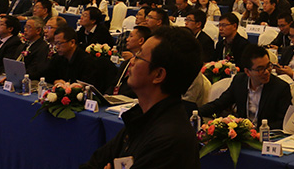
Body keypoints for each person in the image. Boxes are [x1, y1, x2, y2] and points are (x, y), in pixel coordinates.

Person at [81, 26, 202, 169]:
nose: (132, 61)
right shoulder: (141, 118)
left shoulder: (170, 140)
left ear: (158, 75)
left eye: (138, 56)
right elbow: (95, 162)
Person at [199, 44, 292, 128]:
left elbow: (284, 121)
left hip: (267, 135)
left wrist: (259, 130)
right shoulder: (239, 81)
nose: (267, 72)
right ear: (247, 71)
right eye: (260, 69)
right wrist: (196, 112)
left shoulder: (280, 88)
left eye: (268, 66)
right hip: (242, 134)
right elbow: (220, 104)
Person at [44, 26, 115, 93]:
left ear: (72, 43)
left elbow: (88, 86)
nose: (56, 47)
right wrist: (55, 81)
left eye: (59, 43)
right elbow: (45, 75)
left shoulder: (86, 61)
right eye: (55, 43)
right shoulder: (58, 57)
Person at [110, 26, 151, 97]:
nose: (127, 39)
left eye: (131, 36)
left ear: (141, 41)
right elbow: (114, 83)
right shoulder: (126, 63)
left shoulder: (145, 65)